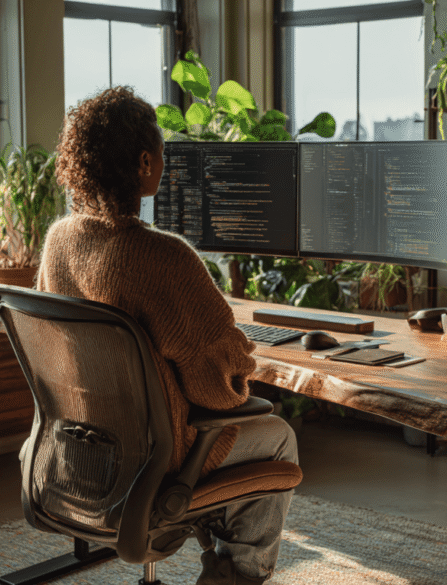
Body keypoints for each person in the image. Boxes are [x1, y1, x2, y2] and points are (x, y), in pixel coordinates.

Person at [37, 86, 297, 585]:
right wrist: (242, 357)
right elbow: (217, 387)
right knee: (279, 436)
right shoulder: (162, 257)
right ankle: (235, 574)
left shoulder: (58, 242)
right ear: (143, 162)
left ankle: (216, 549)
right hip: (153, 457)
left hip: (83, 448)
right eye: (160, 152)